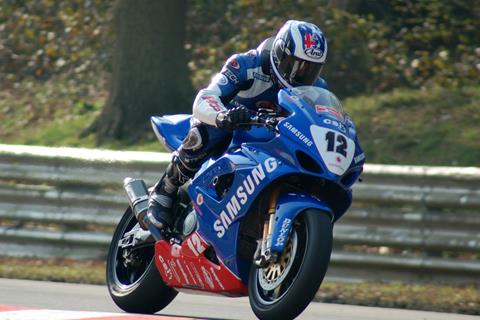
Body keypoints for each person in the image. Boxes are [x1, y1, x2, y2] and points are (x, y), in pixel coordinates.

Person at [144, 20, 329, 232]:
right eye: (296, 65)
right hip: (231, 128)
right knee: (208, 132)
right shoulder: (247, 64)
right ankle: (164, 190)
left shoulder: (318, 89)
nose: (302, 75)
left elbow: (320, 125)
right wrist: (223, 116)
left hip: (271, 141)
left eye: (311, 69)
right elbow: (206, 97)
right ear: (279, 53)